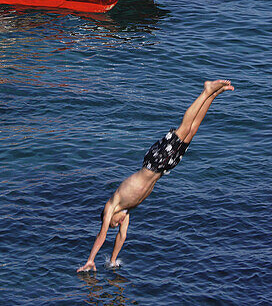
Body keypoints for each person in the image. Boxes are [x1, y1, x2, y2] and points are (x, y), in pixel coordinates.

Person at [77, 80, 235, 272]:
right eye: (115, 224)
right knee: (192, 130)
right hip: (165, 167)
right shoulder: (125, 212)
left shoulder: (112, 206)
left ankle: (206, 90)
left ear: (106, 216)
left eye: (112, 223)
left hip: (153, 162)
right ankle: (213, 95)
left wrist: (90, 259)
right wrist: (112, 260)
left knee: (184, 128)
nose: (116, 224)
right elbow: (121, 237)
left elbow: (102, 235)